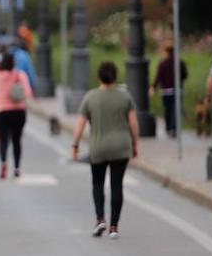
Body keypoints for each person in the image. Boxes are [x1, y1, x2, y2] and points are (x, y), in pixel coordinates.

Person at [73, 62, 139, 238]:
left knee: (97, 183)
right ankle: (114, 227)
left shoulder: (90, 97)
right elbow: (133, 124)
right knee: (117, 185)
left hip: (98, 147)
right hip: (121, 147)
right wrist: (135, 145)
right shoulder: (125, 97)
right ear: (115, 76)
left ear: (98, 77)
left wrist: (75, 145)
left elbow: (80, 124)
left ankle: (100, 219)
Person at [0, 52, 33, 179]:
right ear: (14, 62)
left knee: (3, 140)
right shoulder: (19, 74)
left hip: (1, 111)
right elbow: (28, 92)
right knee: (17, 140)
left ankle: (3, 164)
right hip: (18, 111)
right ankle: (17, 168)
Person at [152, 43, 189, 138]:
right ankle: (174, 128)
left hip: (165, 91)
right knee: (175, 110)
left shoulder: (162, 63)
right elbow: (185, 75)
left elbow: (158, 77)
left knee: (168, 110)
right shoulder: (180, 63)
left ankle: (169, 128)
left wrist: (153, 87)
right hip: (177, 90)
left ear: (166, 52)